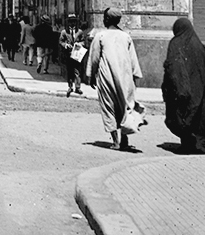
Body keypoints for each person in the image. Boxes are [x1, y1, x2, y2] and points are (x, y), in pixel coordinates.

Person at [86, 8, 143, 151]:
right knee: (124, 106)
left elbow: (94, 59)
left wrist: (91, 76)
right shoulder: (126, 36)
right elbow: (133, 61)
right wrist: (135, 79)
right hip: (125, 77)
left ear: (106, 19)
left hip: (107, 77)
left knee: (108, 106)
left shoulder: (101, 36)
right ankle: (124, 139)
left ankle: (116, 141)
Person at [161, 17, 205, 154]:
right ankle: (203, 145)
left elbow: (172, 68)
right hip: (200, 91)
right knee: (200, 119)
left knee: (179, 118)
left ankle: (188, 144)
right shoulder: (197, 43)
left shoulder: (175, 43)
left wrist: (170, 87)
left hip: (182, 90)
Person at [60, 17, 87, 97]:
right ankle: (70, 86)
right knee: (69, 71)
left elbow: (83, 41)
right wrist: (66, 45)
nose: (72, 24)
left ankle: (78, 87)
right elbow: (61, 41)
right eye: (71, 22)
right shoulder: (64, 32)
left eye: (74, 22)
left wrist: (80, 44)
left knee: (78, 71)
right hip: (68, 54)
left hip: (77, 54)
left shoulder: (79, 32)